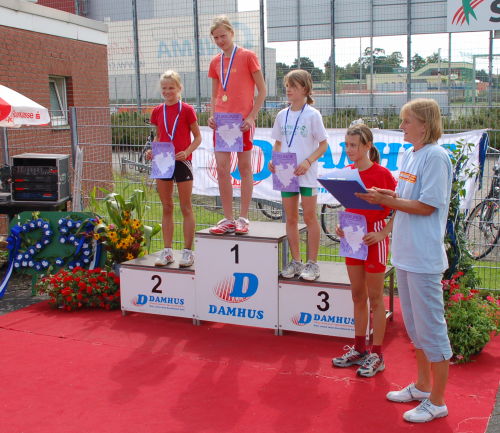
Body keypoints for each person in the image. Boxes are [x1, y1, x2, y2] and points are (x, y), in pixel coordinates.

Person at [357, 98, 453, 423]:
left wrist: (387, 200)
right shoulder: (412, 154)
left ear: (424, 124)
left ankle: (437, 401)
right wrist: (384, 196)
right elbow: (408, 198)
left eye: (406, 121)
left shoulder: (436, 157)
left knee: (432, 330)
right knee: (415, 328)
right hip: (407, 256)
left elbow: (428, 206)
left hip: (424, 258)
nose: (402, 127)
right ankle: (423, 386)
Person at [331, 123, 396, 377]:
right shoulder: (347, 172)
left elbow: (398, 209)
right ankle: (359, 349)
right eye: (347, 145)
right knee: (358, 296)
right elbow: (349, 206)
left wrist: (382, 232)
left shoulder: (383, 174)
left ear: (368, 146)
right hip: (352, 237)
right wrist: (340, 226)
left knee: (376, 298)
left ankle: (378, 354)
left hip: (374, 239)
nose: (349, 150)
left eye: (354, 145)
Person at [207, 15, 266, 235]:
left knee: (244, 168)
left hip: (242, 122)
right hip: (223, 122)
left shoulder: (248, 56)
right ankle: (228, 218)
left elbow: (263, 91)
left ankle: (243, 217)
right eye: (216, 38)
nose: (220, 40)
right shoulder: (215, 62)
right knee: (222, 169)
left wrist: (251, 117)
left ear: (232, 33)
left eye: (223, 35)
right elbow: (214, 95)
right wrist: (212, 115)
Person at [269, 69, 328, 281]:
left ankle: (313, 263)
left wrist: (308, 161)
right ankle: (296, 261)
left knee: (310, 216)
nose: (288, 90)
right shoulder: (281, 115)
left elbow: (323, 145)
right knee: (291, 218)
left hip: (307, 173)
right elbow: (277, 142)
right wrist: (274, 160)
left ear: (304, 88)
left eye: (293, 86)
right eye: (286, 85)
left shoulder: (313, 115)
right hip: (286, 173)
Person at [149, 70, 202, 267]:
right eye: (164, 88)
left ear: (179, 88)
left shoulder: (187, 110)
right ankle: (168, 251)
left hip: (182, 161)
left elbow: (198, 137)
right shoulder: (156, 111)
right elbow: (159, 135)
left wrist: (186, 151)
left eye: (171, 88)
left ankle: (188, 251)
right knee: (166, 206)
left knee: (185, 206)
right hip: (162, 160)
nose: (167, 91)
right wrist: (152, 150)